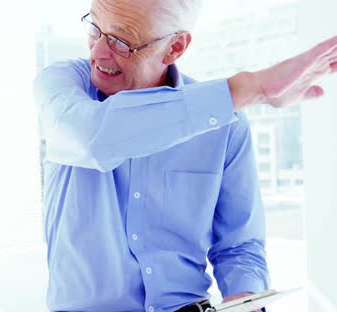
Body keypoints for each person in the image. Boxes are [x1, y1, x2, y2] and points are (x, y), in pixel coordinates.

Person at [34, 0, 337, 311]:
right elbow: (92, 139)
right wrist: (251, 88)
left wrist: (245, 299)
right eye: (95, 28)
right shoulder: (63, 88)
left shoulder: (224, 126)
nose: (98, 52)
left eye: (121, 41)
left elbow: (239, 245)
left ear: (175, 47)